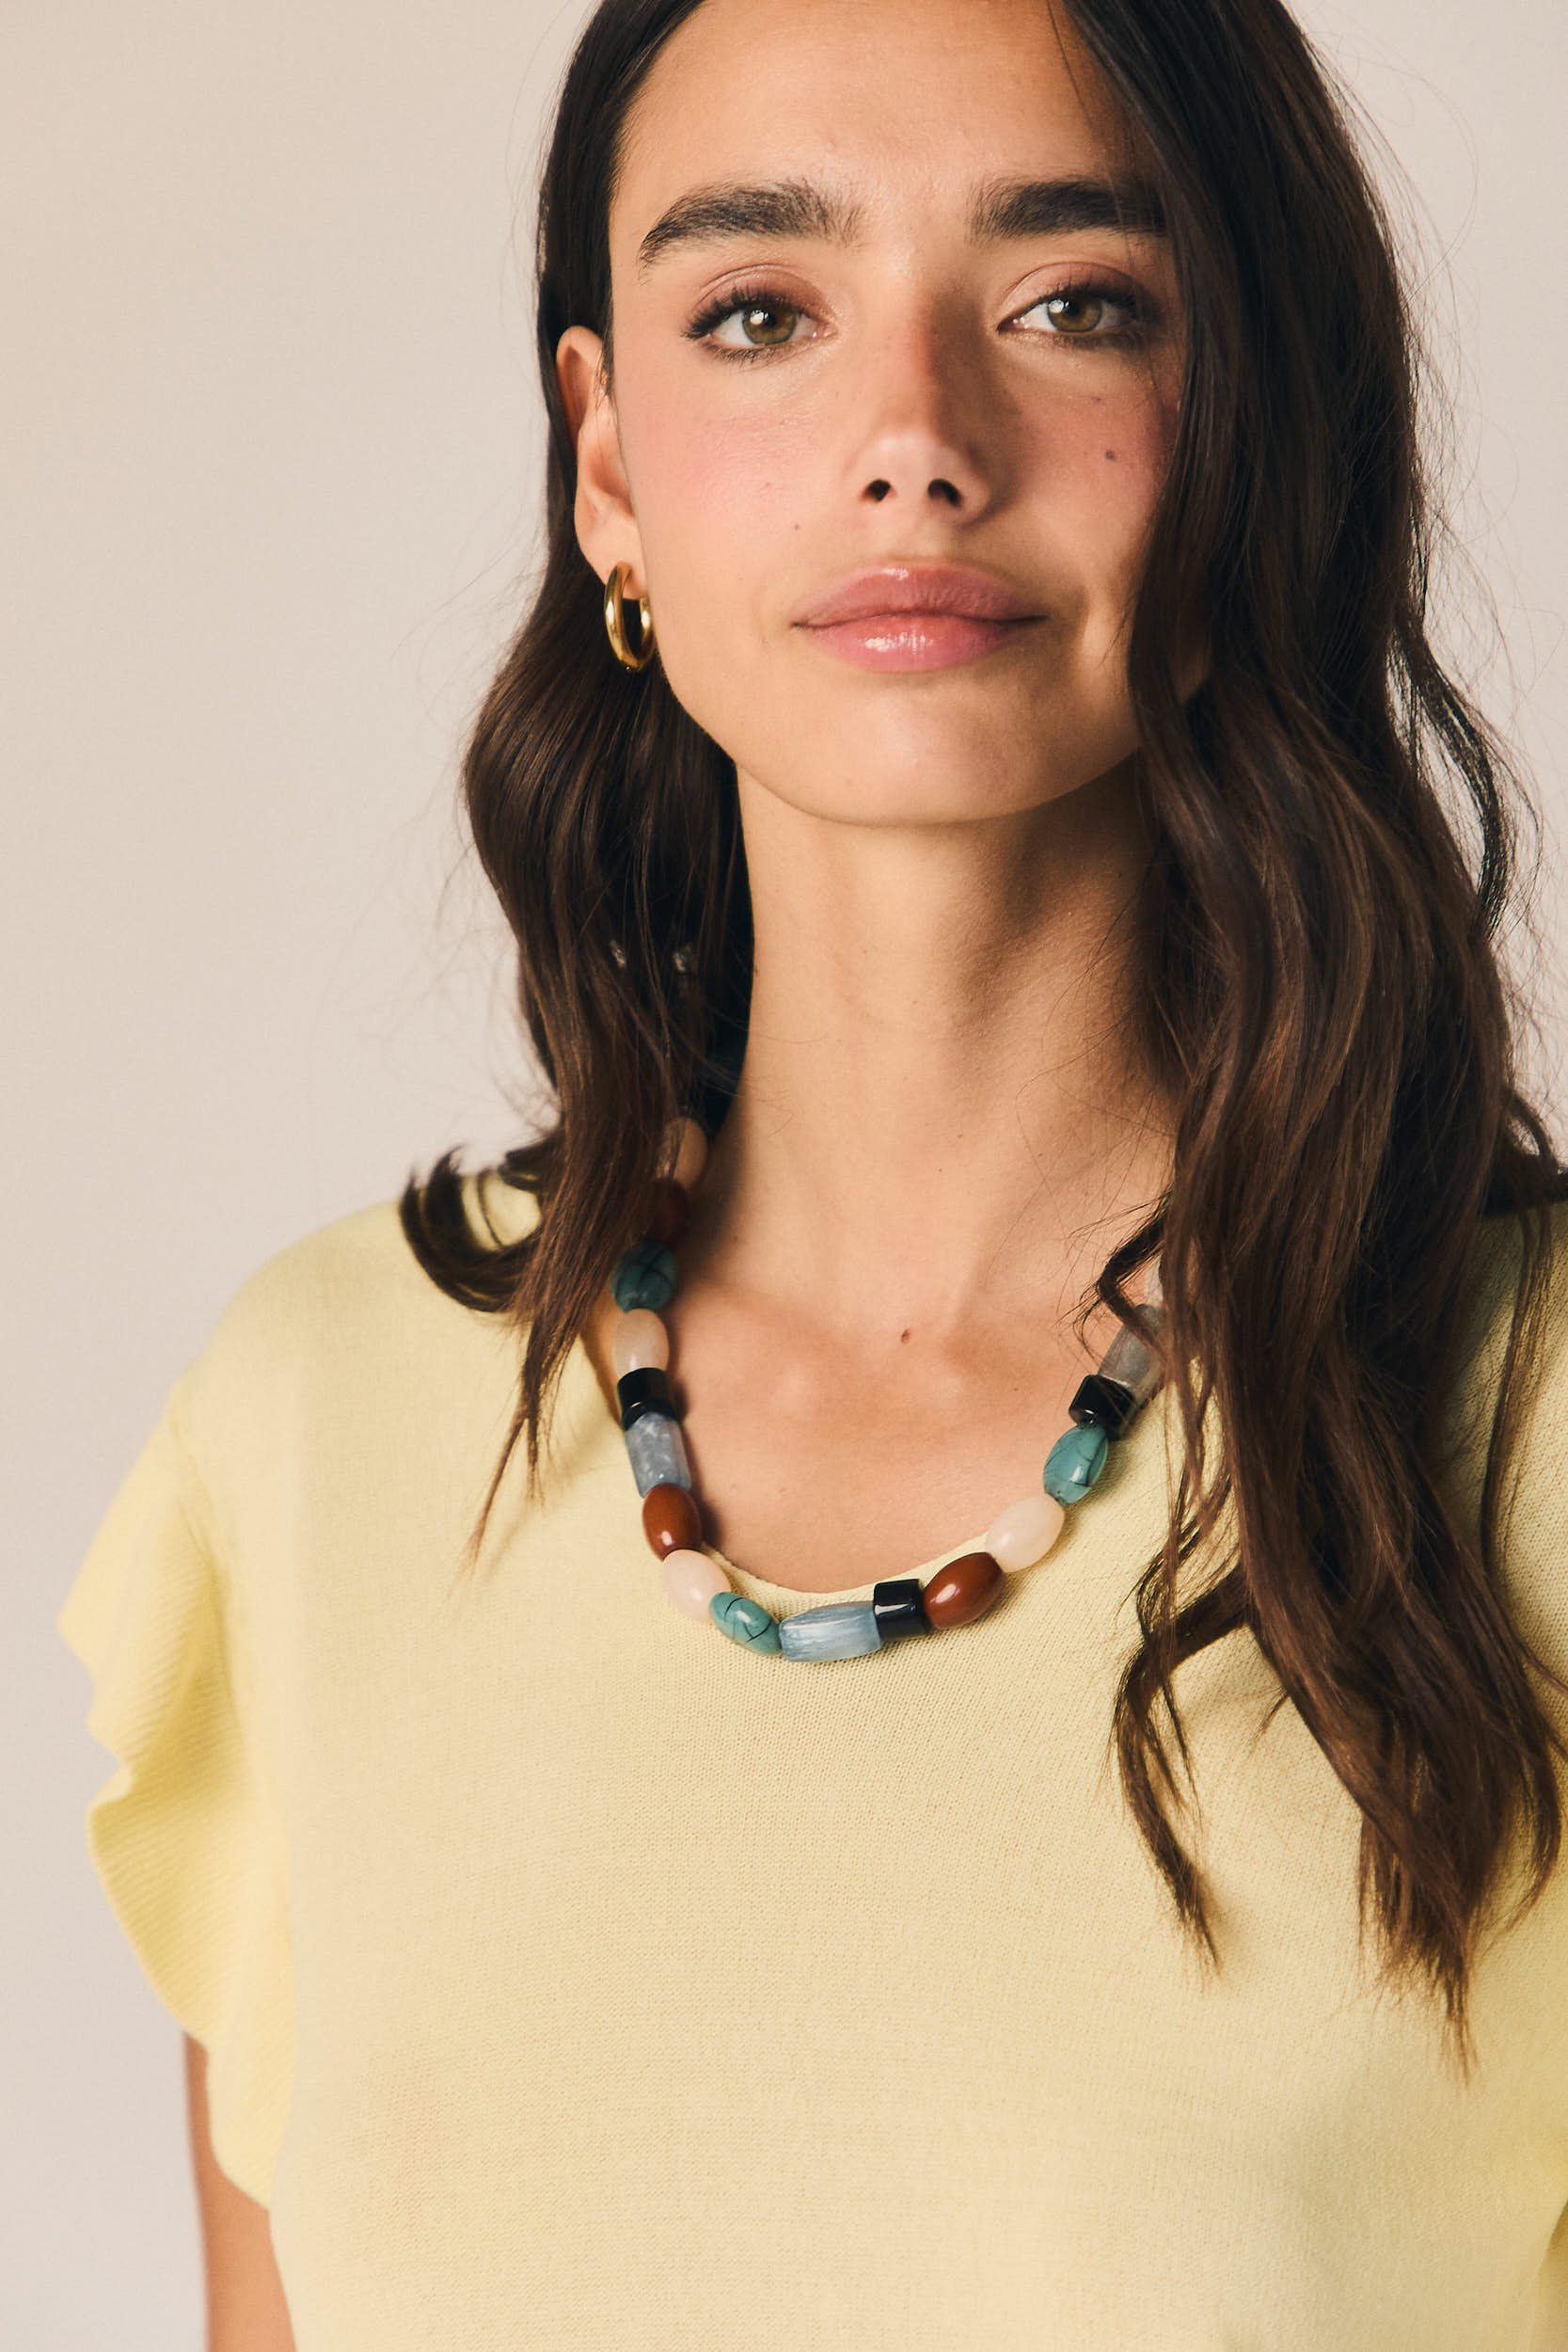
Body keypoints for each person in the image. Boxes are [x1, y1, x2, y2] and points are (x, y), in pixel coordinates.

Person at [58, 0, 1568, 2344]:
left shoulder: (1530, 1425)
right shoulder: (316, 1427)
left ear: (1254, 421)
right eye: (763, 311)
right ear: (608, 460)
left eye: (1072, 302)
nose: (916, 440)